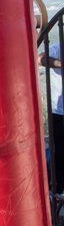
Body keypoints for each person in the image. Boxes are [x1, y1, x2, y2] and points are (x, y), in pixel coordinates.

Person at [39, 44, 64, 192]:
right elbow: (40, 58)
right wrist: (60, 64)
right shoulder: (59, 47)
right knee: (59, 153)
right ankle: (57, 191)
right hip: (59, 112)